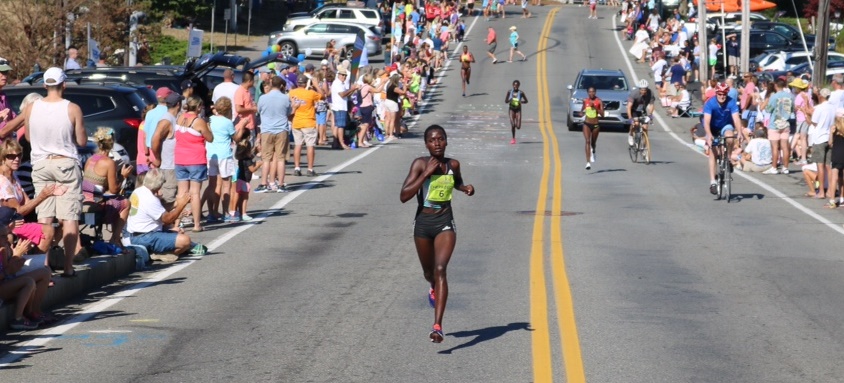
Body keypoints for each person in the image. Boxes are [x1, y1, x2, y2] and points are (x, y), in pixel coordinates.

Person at [399, 125, 475, 343]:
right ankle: (432, 285)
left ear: (446, 141)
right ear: (426, 144)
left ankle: (437, 326)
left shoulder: (453, 164)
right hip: (423, 224)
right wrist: (425, 174)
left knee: (441, 269)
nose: (437, 143)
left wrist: (465, 188)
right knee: (429, 273)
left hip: (444, 222)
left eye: (441, 139)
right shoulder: (420, 164)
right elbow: (404, 196)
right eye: (432, 140)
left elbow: (457, 181)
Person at [22, 67, 86, 278]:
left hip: (40, 164)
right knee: (69, 217)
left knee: (45, 217)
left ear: (44, 85)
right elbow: (82, 140)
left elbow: (29, 138)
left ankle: (44, 266)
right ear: (64, 85)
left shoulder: (31, 107)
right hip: (65, 163)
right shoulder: (72, 108)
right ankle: (68, 267)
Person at [0, 139, 63, 254]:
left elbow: (27, 203)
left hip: (15, 222)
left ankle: (34, 260)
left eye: (19, 155)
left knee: (62, 222)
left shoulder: (13, 176)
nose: (17, 159)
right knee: (47, 230)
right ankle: (35, 263)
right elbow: (19, 211)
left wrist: (50, 194)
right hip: (6, 224)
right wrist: (42, 196)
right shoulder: (3, 181)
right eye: (11, 156)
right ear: (3, 158)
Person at [126, 169, 205, 257]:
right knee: (185, 240)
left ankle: (177, 249)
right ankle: (165, 254)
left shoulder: (139, 191)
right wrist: (181, 205)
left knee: (178, 232)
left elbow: (159, 209)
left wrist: (176, 203)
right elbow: (167, 219)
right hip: (145, 237)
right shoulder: (150, 198)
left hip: (137, 235)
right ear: (159, 184)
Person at [0, 206, 53, 330]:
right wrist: (17, 255)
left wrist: (17, 258)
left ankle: (33, 313)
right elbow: (6, 271)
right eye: (2, 236)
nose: (6, 238)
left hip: (5, 282)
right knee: (28, 281)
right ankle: (17, 319)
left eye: (5, 235)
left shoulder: (4, 247)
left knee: (44, 272)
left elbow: (9, 268)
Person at [82, 128, 133, 247]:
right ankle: (115, 238)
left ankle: (112, 238)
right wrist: (123, 176)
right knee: (125, 203)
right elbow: (114, 189)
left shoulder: (90, 159)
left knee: (116, 199)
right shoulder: (108, 162)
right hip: (97, 202)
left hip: (85, 199)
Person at [174, 96, 214, 232]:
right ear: (198, 107)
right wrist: (208, 127)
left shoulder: (179, 118)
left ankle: (176, 223)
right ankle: (197, 224)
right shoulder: (199, 121)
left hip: (180, 158)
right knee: (195, 192)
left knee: (181, 192)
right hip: (196, 159)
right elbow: (210, 138)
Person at [205, 97, 247, 222]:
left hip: (211, 154)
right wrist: (242, 126)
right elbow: (237, 138)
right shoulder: (227, 122)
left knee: (212, 185)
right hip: (224, 155)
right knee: (226, 185)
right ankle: (225, 213)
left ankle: (211, 213)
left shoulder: (210, 120)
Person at [703, 83, 742, 195]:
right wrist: (709, 135)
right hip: (712, 127)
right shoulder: (710, 103)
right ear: (716, 93)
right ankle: (713, 182)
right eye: (720, 94)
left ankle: (728, 158)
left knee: (730, 137)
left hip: (726, 126)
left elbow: (736, 118)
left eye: (724, 94)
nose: (722, 96)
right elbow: (706, 121)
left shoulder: (731, 102)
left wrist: (739, 132)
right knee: (713, 153)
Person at [255, 76, 293, 193]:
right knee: (281, 158)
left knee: (266, 158)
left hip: (267, 130)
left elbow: (259, 110)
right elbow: (289, 112)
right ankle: (281, 184)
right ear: (281, 86)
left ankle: (263, 184)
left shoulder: (263, 98)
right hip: (281, 129)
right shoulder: (286, 98)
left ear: (271, 84)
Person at [150, 92, 182, 211]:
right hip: (168, 165)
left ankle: (174, 221)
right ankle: (166, 224)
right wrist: (157, 158)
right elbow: (155, 139)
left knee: (177, 194)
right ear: (178, 104)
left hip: (176, 164)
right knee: (169, 196)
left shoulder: (174, 118)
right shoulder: (166, 120)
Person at [289, 75, 323, 177]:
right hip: (308, 122)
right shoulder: (310, 93)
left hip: (297, 121)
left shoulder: (292, 92)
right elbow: (323, 95)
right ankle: (310, 169)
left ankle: (297, 167)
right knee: (310, 145)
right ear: (306, 83)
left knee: (298, 145)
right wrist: (316, 85)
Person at [764, 78, 795, 175]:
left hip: (775, 124)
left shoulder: (774, 96)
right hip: (785, 123)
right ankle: (785, 167)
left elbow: (768, 109)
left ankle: (774, 167)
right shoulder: (790, 96)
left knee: (774, 147)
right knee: (785, 147)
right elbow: (792, 109)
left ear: (776, 86)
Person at [809, 88, 835, 200]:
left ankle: (821, 192)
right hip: (830, 137)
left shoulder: (819, 108)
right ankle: (830, 190)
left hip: (819, 137)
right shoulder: (833, 107)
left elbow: (814, 122)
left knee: (820, 165)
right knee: (828, 166)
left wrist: (807, 115)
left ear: (821, 96)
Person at [232, 139, 263, 220]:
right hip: (245, 181)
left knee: (240, 196)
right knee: (245, 198)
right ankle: (244, 213)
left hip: (239, 179)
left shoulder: (241, 158)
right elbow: (252, 169)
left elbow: (249, 157)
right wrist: (258, 165)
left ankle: (238, 212)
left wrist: (255, 152)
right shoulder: (248, 160)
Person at [330, 68, 359, 150]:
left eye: (345, 75)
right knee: (341, 126)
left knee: (337, 125)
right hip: (339, 107)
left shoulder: (341, 84)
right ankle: (342, 143)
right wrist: (352, 88)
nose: (344, 77)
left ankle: (335, 143)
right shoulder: (337, 83)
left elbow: (346, 94)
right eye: (342, 75)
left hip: (341, 106)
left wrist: (353, 89)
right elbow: (342, 94)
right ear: (338, 75)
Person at [627, 79, 655, 146]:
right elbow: (629, 107)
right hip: (634, 110)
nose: (643, 91)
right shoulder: (634, 94)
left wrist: (650, 115)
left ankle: (645, 146)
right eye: (642, 90)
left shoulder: (650, 93)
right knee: (636, 124)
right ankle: (631, 134)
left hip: (642, 110)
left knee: (645, 127)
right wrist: (630, 118)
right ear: (639, 89)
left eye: (645, 90)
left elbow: (652, 105)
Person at [581, 87, 603, 169]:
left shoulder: (599, 101)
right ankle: (588, 162)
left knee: (593, 143)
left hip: (596, 125)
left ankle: (593, 151)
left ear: (595, 92)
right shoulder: (585, 101)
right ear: (587, 93)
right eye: (590, 92)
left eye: (593, 91)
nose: (591, 93)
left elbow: (603, 114)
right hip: (586, 124)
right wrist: (581, 113)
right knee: (587, 141)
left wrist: (595, 107)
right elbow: (582, 110)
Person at [234, 71, 258, 144]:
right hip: (244, 127)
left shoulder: (247, 91)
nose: (254, 82)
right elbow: (238, 109)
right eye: (253, 80)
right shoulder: (240, 92)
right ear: (249, 81)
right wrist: (252, 109)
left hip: (250, 126)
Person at [827, 111, 844, 208]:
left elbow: (830, 143)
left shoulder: (834, 128)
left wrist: (830, 133)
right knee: (842, 178)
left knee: (834, 177)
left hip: (837, 155)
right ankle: (842, 199)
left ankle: (832, 200)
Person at [506, 80, 529, 145]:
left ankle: (516, 122)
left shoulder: (521, 93)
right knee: (513, 125)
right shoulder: (509, 92)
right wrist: (509, 100)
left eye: (517, 85)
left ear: (519, 86)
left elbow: (526, 101)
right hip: (511, 109)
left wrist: (520, 102)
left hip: (518, 110)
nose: (515, 86)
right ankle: (513, 139)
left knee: (518, 127)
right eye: (514, 85)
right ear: (512, 85)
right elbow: (506, 101)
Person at [0, 58, 17, 135]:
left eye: (6, 72)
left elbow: (14, 120)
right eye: (2, 72)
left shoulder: (3, 96)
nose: (5, 75)